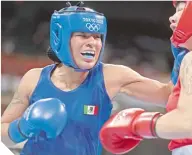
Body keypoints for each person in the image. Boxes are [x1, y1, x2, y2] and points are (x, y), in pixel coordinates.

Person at [1, 2, 180, 155]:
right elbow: (2, 137)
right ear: (61, 38)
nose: (92, 43)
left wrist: (182, 54)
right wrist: (21, 128)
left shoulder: (111, 77)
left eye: (97, 37)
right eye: (83, 36)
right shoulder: (33, 79)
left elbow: (168, 95)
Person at [99, 1, 192, 155]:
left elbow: (187, 124)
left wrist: (135, 125)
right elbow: (170, 95)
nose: (171, 18)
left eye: (180, 10)